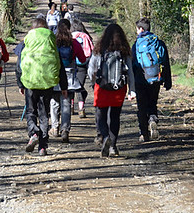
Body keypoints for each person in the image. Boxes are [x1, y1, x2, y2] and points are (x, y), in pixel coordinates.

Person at [16, 18, 68, 156]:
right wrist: (64, 86)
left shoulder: (26, 42)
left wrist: (20, 83)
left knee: (31, 111)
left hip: (30, 82)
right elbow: (59, 64)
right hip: (47, 82)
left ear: (32, 29)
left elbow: (19, 64)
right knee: (44, 113)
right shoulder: (51, 41)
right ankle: (43, 147)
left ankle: (34, 133)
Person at [88, 24, 136, 157]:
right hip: (119, 88)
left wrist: (93, 83)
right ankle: (113, 146)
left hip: (102, 87)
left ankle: (105, 137)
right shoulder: (124, 51)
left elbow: (91, 69)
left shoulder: (100, 49)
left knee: (100, 115)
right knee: (115, 117)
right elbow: (130, 72)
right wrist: (132, 90)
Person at [131, 17, 172, 142]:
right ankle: (153, 120)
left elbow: (133, 63)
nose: (137, 32)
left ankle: (144, 133)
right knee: (152, 103)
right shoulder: (158, 42)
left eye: (137, 29)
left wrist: (131, 84)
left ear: (141, 29)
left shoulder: (136, 45)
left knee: (141, 106)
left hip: (140, 79)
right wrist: (167, 81)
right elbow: (165, 62)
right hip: (156, 78)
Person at [49, 19, 86, 142]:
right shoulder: (73, 42)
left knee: (54, 103)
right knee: (66, 104)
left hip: (55, 76)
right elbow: (82, 58)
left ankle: (55, 128)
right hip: (70, 78)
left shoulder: (53, 42)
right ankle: (65, 130)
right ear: (69, 28)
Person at [71, 19, 93, 118]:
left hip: (71, 63)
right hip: (83, 64)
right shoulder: (86, 36)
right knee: (80, 86)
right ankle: (81, 108)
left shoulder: (70, 37)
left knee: (70, 85)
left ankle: (71, 107)